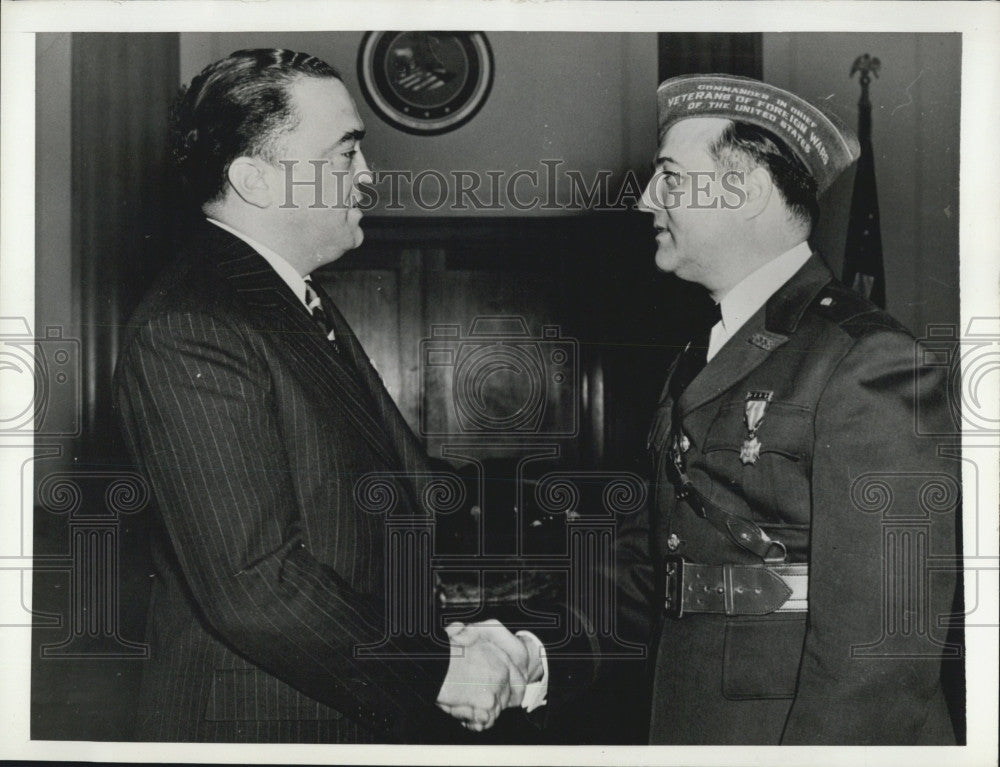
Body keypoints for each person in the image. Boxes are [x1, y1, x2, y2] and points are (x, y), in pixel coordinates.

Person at [114, 48, 547, 743]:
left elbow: (402, 488)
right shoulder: (194, 325)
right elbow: (255, 584)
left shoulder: (286, 300)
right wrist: (438, 667)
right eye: (345, 153)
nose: (368, 177)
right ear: (255, 179)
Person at [618, 74, 960, 744]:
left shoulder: (869, 359)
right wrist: (530, 655)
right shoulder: (700, 354)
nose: (646, 200)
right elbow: (656, 562)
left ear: (741, 189)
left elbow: (881, 654)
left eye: (668, 176)